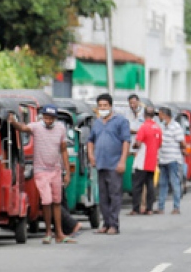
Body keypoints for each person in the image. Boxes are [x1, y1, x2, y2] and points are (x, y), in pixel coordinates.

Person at [10, 105, 75, 244]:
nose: (48, 120)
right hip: (41, 170)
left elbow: (63, 150)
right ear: (42, 117)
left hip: (56, 170)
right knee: (46, 201)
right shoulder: (36, 127)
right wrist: (13, 121)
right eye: (46, 117)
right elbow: (23, 128)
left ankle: (59, 233)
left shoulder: (61, 129)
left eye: (51, 118)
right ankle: (48, 233)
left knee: (57, 202)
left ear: (55, 118)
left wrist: (67, 172)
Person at [87, 93, 130, 235]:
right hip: (100, 164)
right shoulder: (97, 122)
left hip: (114, 164)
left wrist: (122, 161)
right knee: (103, 196)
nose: (102, 108)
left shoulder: (120, 121)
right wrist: (91, 155)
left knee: (115, 195)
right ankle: (105, 223)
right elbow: (90, 140)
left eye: (105, 105)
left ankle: (114, 225)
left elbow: (126, 141)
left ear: (110, 106)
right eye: (100, 106)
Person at [129, 107, 162, 215]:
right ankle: (149, 208)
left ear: (144, 115)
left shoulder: (143, 127)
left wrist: (133, 146)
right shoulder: (157, 128)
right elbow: (160, 144)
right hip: (152, 161)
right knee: (150, 185)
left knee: (137, 185)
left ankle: (135, 208)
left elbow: (138, 143)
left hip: (142, 160)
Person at [156, 107, 185, 215]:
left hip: (173, 159)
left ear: (164, 115)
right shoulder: (161, 127)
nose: (159, 117)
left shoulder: (176, 127)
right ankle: (161, 207)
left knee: (174, 183)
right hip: (163, 159)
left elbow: (182, 142)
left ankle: (176, 207)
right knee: (163, 183)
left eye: (160, 114)